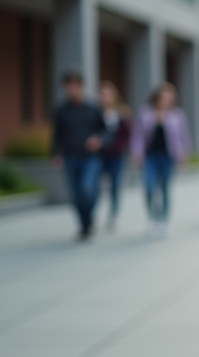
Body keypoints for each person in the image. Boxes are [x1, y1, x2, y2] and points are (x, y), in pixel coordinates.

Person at [50, 69, 105, 241]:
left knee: (87, 188)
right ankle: (85, 225)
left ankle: (89, 216)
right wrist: (55, 154)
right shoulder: (61, 110)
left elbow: (105, 131)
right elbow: (56, 134)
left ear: (81, 87)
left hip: (90, 157)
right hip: (69, 156)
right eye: (68, 86)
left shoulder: (93, 108)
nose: (71, 89)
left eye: (75, 86)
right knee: (75, 195)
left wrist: (98, 139)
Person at [131, 83, 191, 237]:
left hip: (168, 157)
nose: (165, 101)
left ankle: (164, 220)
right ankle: (152, 218)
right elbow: (138, 136)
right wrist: (137, 153)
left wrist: (183, 155)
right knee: (149, 187)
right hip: (150, 157)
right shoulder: (146, 113)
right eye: (163, 97)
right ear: (157, 98)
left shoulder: (177, 115)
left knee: (164, 189)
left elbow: (183, 136)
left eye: (169, 98)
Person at [97, 81, 131, 232]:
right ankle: (94, 214)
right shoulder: (96, 113)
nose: (106, 98)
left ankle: (113, 214)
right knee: (94, 185)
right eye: (103, 95)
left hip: (116, 156)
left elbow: (126, 134)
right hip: (99, 156)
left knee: (115, 186)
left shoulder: (121, 113)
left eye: (108, 95)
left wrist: (118, 147)